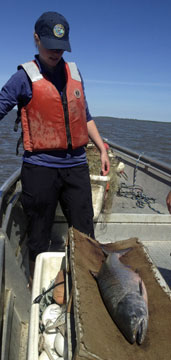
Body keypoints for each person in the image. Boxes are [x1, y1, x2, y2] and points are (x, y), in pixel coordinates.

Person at [0, 11, 110, 280]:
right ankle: (39, 285)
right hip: (40, 170)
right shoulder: (23, 77)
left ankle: (85, 282)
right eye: (49, 46)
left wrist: (103, 148)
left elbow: (84, 116)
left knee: (85, 231)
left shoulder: (74, 72)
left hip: (76, 167)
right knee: (38, 235)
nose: (56, 53)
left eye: (61, 47)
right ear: (36, 40)